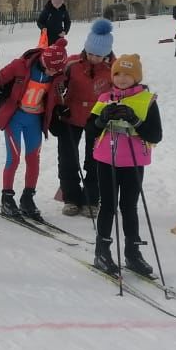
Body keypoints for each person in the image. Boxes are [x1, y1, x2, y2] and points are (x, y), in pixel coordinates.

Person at [87, 53, 162, 277]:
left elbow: (156, 135)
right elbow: (89, 129)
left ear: (136, 77)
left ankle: (132, 252)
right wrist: (101, 119)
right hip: (106, 159)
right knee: (108, 206)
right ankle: (102, 251)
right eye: (117, 73)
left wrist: (135, 120)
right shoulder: (104, 98)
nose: (121, 79)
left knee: (129, 207)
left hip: (133, 161)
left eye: (127, 75)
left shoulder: (147, 100)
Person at [0, 38, 69, 220]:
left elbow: (56, 95)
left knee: (33, 159)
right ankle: (7, 198)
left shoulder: (57, 73)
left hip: (35, 120)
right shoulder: (21, 65)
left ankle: (28, 197)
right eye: (50, 69)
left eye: (56, 70)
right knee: (14, 158)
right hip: (15, 117)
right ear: (43, 61)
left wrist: (60, 107)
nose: (52, 73)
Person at [55, 19, 114, 216]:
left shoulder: (114, 67)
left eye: (98, 55)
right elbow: (56, 82)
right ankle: (70, 198)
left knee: (95, 160)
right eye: (90, 53)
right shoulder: (72, 63)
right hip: (71, 116)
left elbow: (123, 88)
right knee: (68, 159)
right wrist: (58, 102)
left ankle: (91, 199)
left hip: (98, 121)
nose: (93, 58)